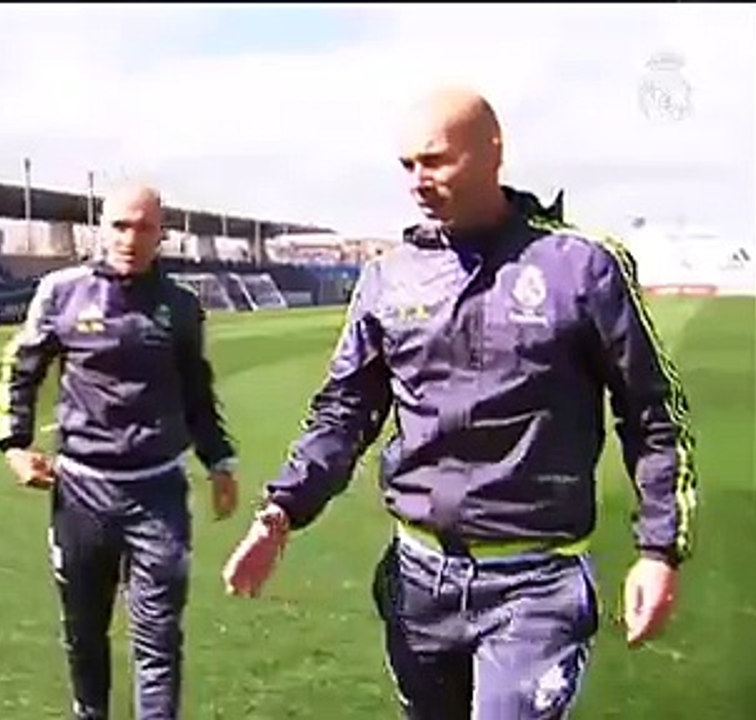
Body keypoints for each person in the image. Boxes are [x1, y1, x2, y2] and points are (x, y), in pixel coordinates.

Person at [222, 87, 698, 719]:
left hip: (535, 587)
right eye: (407, 166)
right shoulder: (389, 277)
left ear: (493, 152)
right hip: (418, 583)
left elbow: (652, 413)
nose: (418, 181)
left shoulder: (580, 266)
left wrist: (658, 549)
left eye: (435, 161)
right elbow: (344, 412)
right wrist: (279, 513)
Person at [0, 183, 240, 720]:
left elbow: (197, 391)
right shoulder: (61, 293)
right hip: (81, 492)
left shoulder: (180, 306)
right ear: (101, 228)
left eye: (145, 227)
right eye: (121, 226)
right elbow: (22, 369)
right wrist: (14, 444)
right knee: (84, 631)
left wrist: (219, 460)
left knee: (157, 640)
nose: (131, 238)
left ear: (162, 235)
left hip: (158, 495)